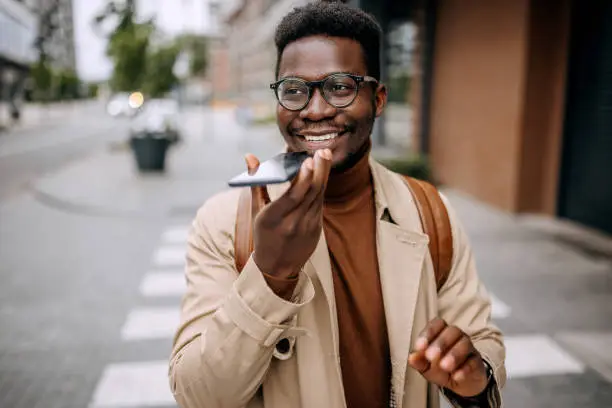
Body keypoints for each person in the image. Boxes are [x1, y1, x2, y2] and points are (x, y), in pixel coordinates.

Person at [169, 1, 506, 407]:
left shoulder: (429, 211)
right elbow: (198, 396)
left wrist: (472, 380)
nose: (315, 110)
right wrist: (271, 273)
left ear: (378, 100)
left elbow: (482, 345)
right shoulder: (224, 222)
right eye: (294, 90)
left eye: (340, 87)